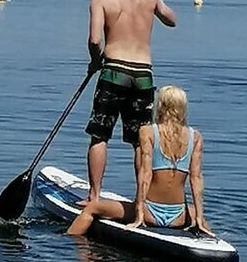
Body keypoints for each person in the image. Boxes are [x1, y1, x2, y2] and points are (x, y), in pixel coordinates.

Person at [84, 0, 176, 202]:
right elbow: (172, 19)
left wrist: (94, 62)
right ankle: (142, 199)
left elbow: (94, 41)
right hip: (143, 74)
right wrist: (155, 6)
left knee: (100, 135)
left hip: (114, 71)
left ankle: (94, 196)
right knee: (140, 140)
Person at [67, 85, 214, 237]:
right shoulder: (195, 137)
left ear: (160, 106)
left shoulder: (148, 131)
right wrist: (198, 218)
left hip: (149, 212)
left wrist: (139, 215)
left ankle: (69, 242)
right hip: (179, 216)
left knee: (92, 208)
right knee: (197, 215)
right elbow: (196, 179)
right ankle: (207, 232)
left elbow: (145, 173)